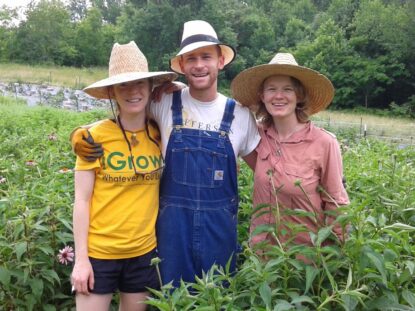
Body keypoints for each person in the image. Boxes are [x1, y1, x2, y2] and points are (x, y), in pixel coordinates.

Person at [70, 20, 260, 287]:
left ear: (221, 61)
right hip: (172, 231)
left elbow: (264, 170)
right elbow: (124, 112)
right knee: (172, 296)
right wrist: (81, 132)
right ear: (182, 66)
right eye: (191, 58)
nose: (199, 65)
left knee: (218, 298)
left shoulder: (240, 114)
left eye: (206, 56)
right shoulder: (164, 101)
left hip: (219, 231)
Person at [70, 41, 177, 310]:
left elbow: (190, 95)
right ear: (111, 92)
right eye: (123, 85)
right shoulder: (93, 138)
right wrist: (81, 260)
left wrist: (168, 86)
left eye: (140, 83)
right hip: (99, 254)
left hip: (144, 254)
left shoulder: (159, 132)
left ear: (151, 88)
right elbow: (81, 201)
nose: (133, 91)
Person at [230, 52, 349, 252]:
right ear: (262, 96)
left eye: (287, 89)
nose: (278, 96)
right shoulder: (257, 135)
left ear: (299, 95)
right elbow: (222, 113)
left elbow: (336, 202)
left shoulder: (324, 143)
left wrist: (335, 255)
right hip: (263, 257)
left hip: (305, 259)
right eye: (271, 89)